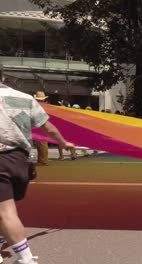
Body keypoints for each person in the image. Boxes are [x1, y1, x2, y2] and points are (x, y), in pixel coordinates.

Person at [0, 83, 75, 264]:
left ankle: (25, 259)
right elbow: (48, 127)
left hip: (1, 160)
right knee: (5, 209)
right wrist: (63, 143)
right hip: (21, 161)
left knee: (5, 212)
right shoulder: (25, 98)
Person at [32, 92, 49, 166]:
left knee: (42, 144)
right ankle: (42, 160)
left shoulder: (38, 106)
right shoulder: (44, 106)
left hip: (41, 125)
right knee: (41, 144)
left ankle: (43, 161)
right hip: (42, 125)